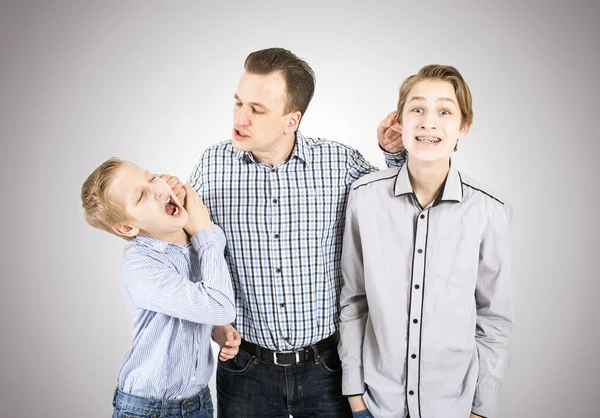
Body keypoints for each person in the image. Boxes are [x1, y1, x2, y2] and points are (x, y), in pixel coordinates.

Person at [164, 47, 407, 417]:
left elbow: (395, 204)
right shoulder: (212, 165)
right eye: (238, 102)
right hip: (246, 368)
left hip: (328, 367)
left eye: (257, 109)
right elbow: (188, 248)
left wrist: (394, 155)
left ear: (291, 120)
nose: (239, 118)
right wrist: (215, 320)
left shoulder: (339, 163)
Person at [338, 64, 514, 418]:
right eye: (417, 109)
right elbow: (354, 301)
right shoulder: (365, 198)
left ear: (464, 126)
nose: (429, 122)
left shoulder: (488, 211)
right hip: (377, 404)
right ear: (399, 122)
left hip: (454, 406)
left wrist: (481, 408)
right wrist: (356, 396)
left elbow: (493, 318)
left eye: (445, 111)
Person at [80, 158, 239, 418]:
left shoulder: (207, 239)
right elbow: (220, 307)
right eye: (141, 196)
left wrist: (217, 330)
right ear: (128, 227)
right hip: (148, 408)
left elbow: (206, 306)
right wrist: (202, 232)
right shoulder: (139, 264)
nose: (157, 189)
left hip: (197, 402)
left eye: (152, 177)